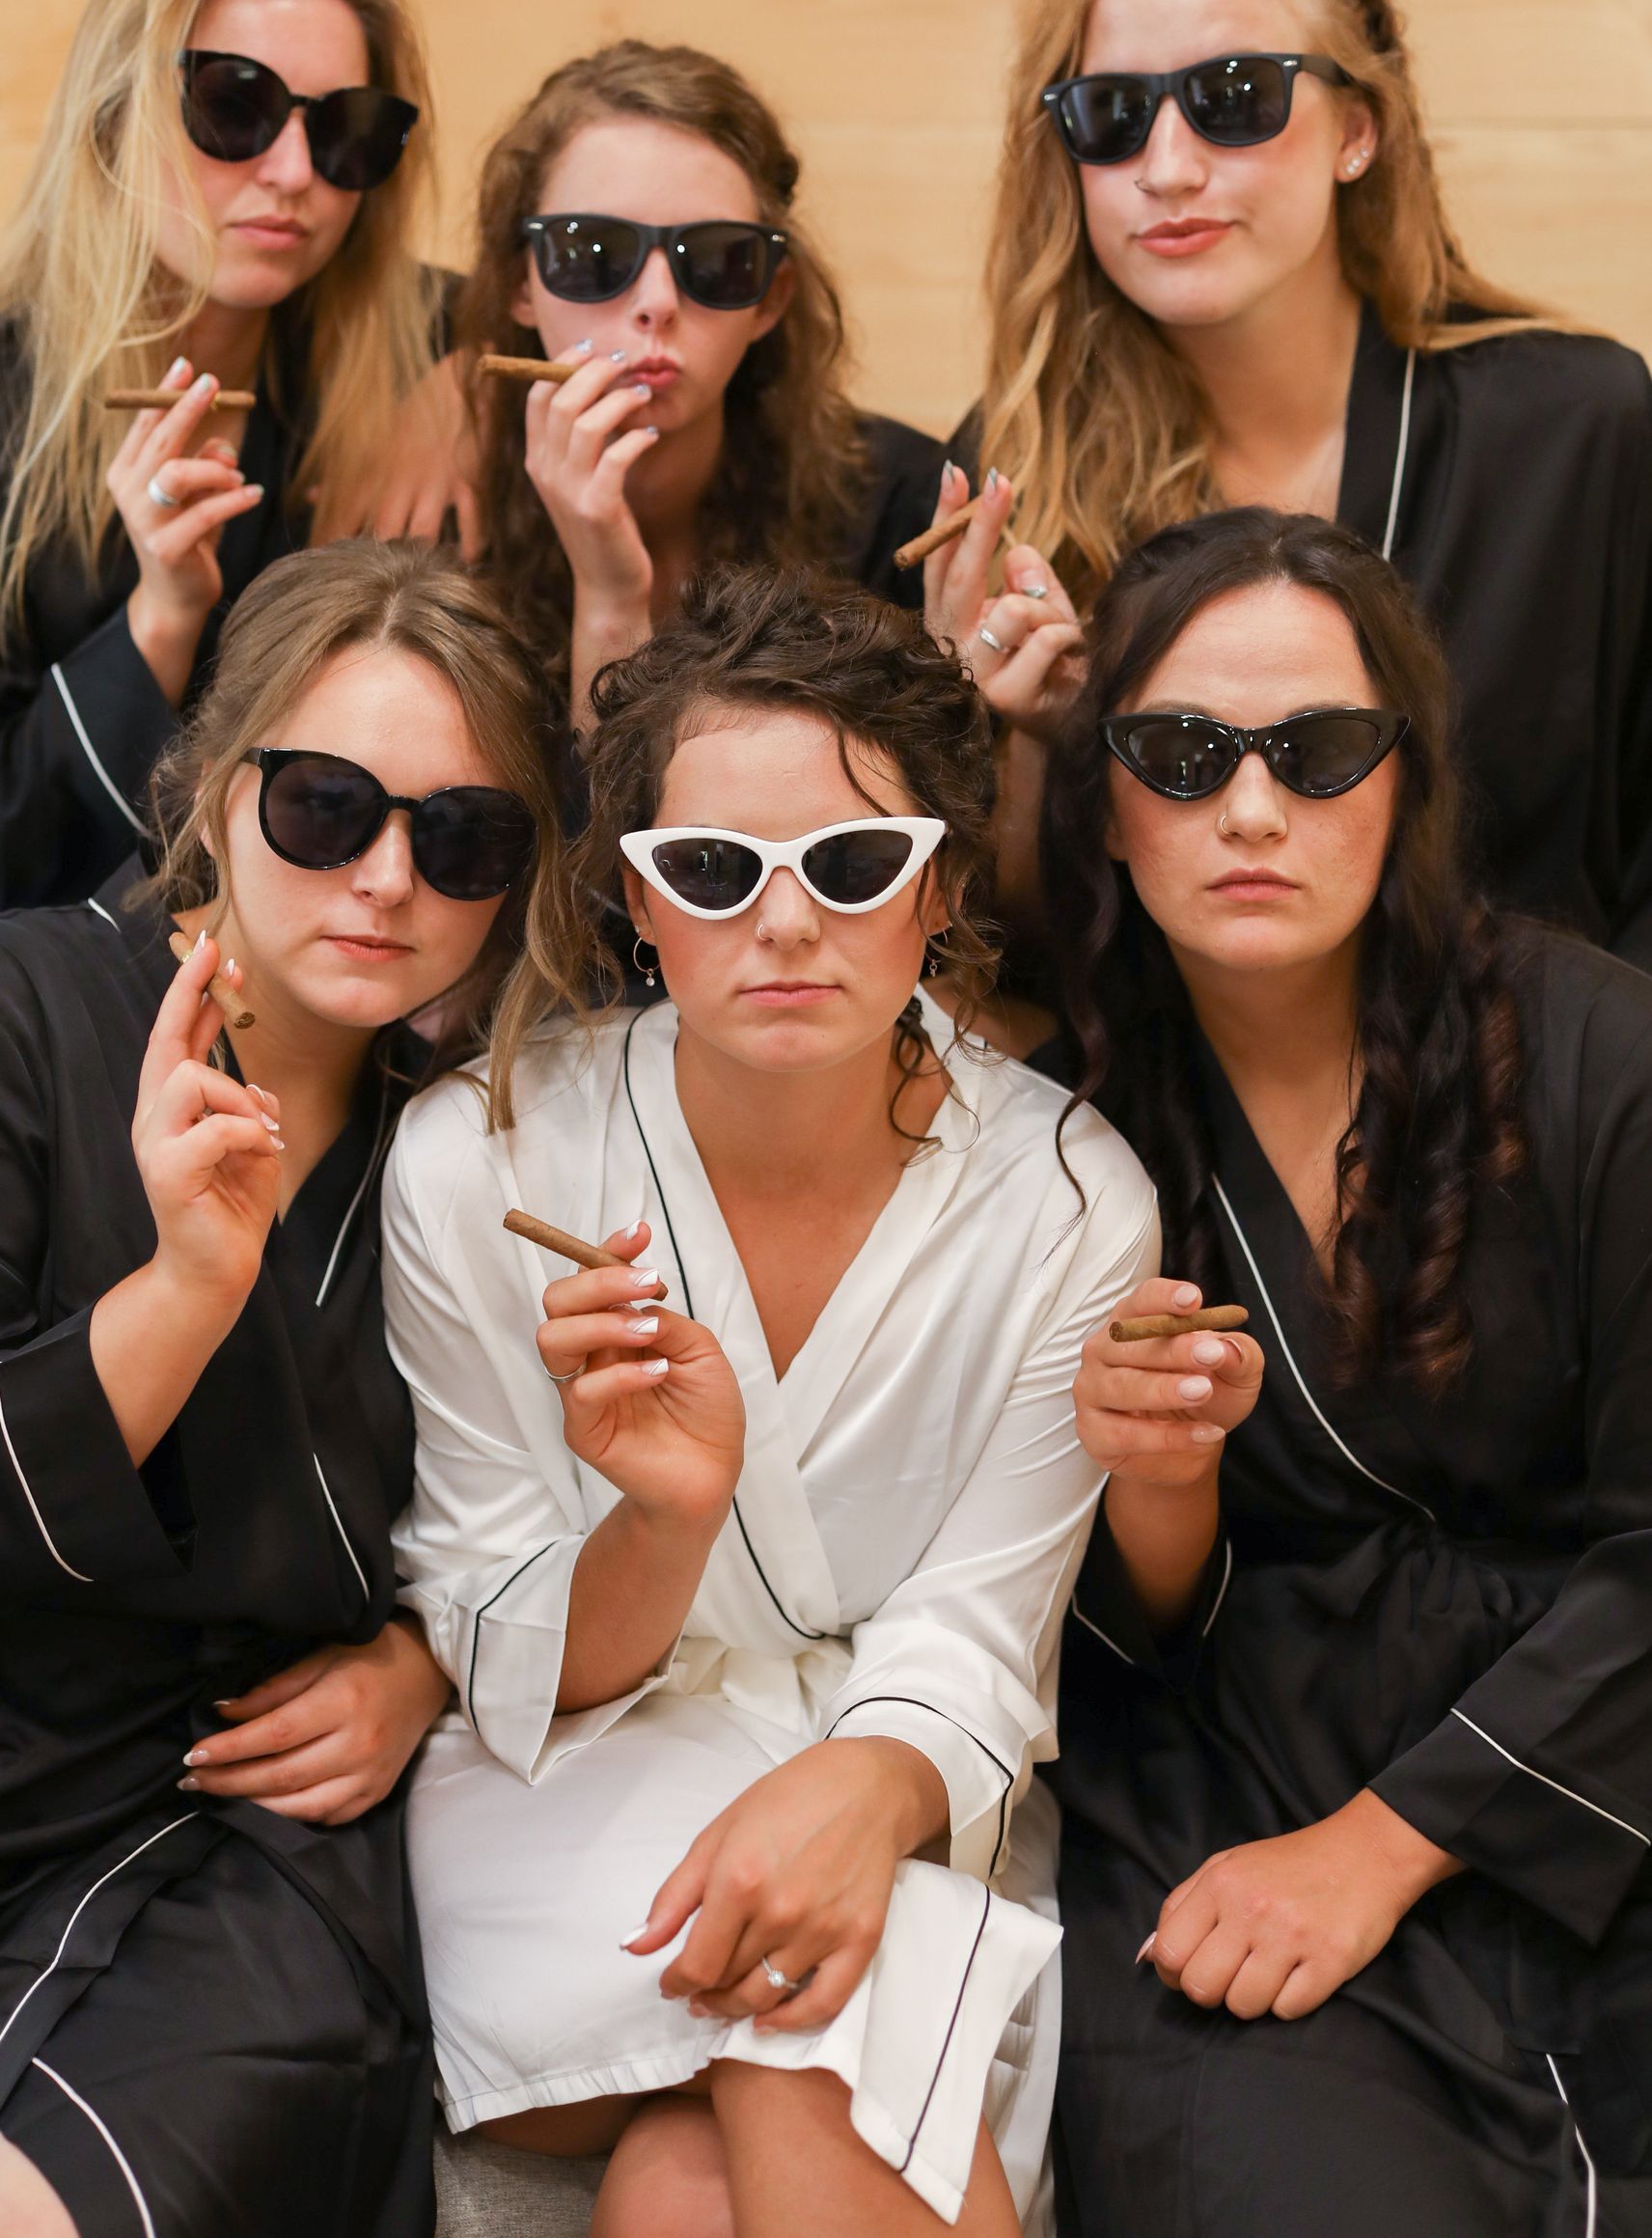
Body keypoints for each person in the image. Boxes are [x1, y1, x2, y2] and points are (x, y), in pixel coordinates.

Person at [0, 541, 572, 2238]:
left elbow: (533, 1517)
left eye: (461, 838)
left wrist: (423, 1661)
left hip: (226, 1823)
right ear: (213, 795)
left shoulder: (472, 1153)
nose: (386, 879)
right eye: (323, 808)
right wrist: (186, 1291)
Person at [380, 565, 1159, 2236]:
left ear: (940, 883)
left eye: (855, 864)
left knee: (685, 2175)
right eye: (717, 872)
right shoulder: (475, 1162)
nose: (787, 924)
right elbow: (507, 1648)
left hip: (904, 1778)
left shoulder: (1073, 1200)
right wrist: (661, 1514)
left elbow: (982, 1619)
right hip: (569, 1795)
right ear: (639, 904)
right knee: (806, 2037)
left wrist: (863, 1794)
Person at [1032, 508, 1652, 2235]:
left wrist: (1383, 1848)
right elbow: (1085, 1627)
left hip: (1594, 1758)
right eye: (1182, 752)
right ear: (1103, 800)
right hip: (1232, 1785)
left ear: (1406, 779)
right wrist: (1158, 1485)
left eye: (1317, 753)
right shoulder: (1047, 1133)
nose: (1250, 810)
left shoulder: (1607, 1057)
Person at [0, 0, 453, 1127]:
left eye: (348, 130)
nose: (294, 171)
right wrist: (159, 617)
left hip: (211, 1021)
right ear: (115, 111)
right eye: (233, 104)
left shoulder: (366, 348)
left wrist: (461, 393)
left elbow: (551, 308)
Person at [923, 0, 1652, 966]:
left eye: (1234, 99)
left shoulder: (1577, 430)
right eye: (1113, 117)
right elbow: (1023, 954)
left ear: (1358, 128)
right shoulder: (1017, 470)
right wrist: (1022, 744)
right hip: (1174, 1127)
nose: (1167, 170)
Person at [444, 41, 943, 726]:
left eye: (716, 261)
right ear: (518, 285)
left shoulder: (895, 509)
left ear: (770, 299)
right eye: (594, 253)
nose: (657, 302)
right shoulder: (444, 526)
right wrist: (611, 597)